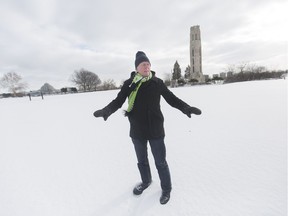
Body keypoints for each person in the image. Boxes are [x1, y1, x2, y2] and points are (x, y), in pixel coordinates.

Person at [93, 51, 201, 205]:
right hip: (137, 130)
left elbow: (172, 99)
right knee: (141, 160)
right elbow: (118, 101)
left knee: (160, 162)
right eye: (143, 64)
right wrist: (106, 111)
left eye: (148, 64)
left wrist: (186, 108)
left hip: (156, 128)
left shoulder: (157, 83)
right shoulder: (129, 84)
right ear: (137, 68)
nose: (147, 66)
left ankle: (166, 188)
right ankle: (146, 181)